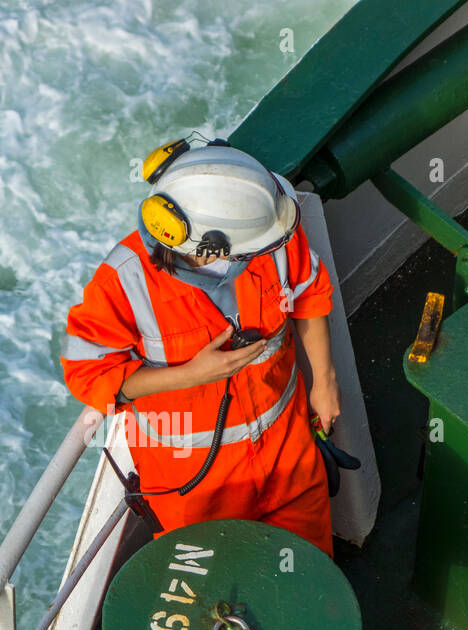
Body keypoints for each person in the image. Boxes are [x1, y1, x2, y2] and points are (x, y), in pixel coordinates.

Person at [60, 136, 340, 557]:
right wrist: (191, 375)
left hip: (289, 461)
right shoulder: (124, 282)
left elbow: (308, 290)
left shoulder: (265, 232)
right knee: (217, 601)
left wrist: (326, 383)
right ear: (208, 245)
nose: (263, 253)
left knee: (307, 575)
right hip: (194, 495)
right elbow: (88, 375)